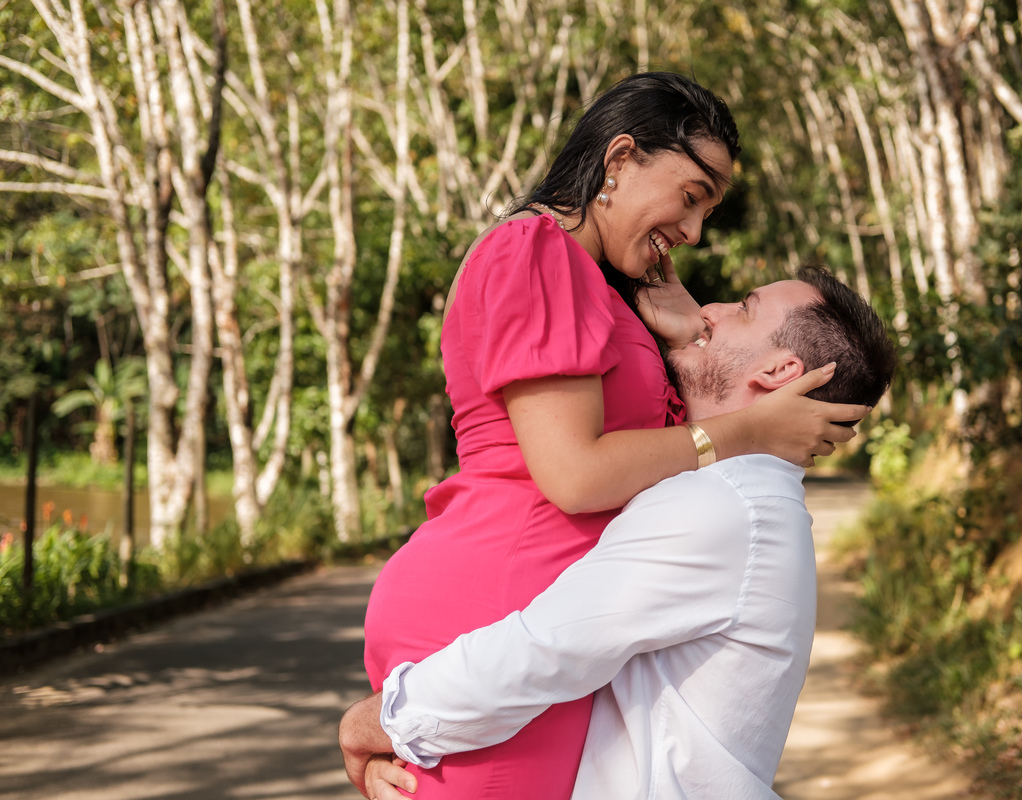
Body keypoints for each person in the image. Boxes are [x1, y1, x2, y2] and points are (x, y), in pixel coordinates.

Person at [362, 73, 870, 800]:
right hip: (498, 616)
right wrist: (747, 428)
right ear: (621, 159)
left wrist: (687, 335)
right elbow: (575, 475)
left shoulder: (597, 283)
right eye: (692, 196)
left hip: (537, 629)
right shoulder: (533, 251)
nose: (695, 233)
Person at [341, 265, 897, 800]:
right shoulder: (733, 493)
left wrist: (382, 719)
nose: (711, 311)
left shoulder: (724, 505)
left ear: (779, 372)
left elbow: (546, 649)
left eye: (743, 310)